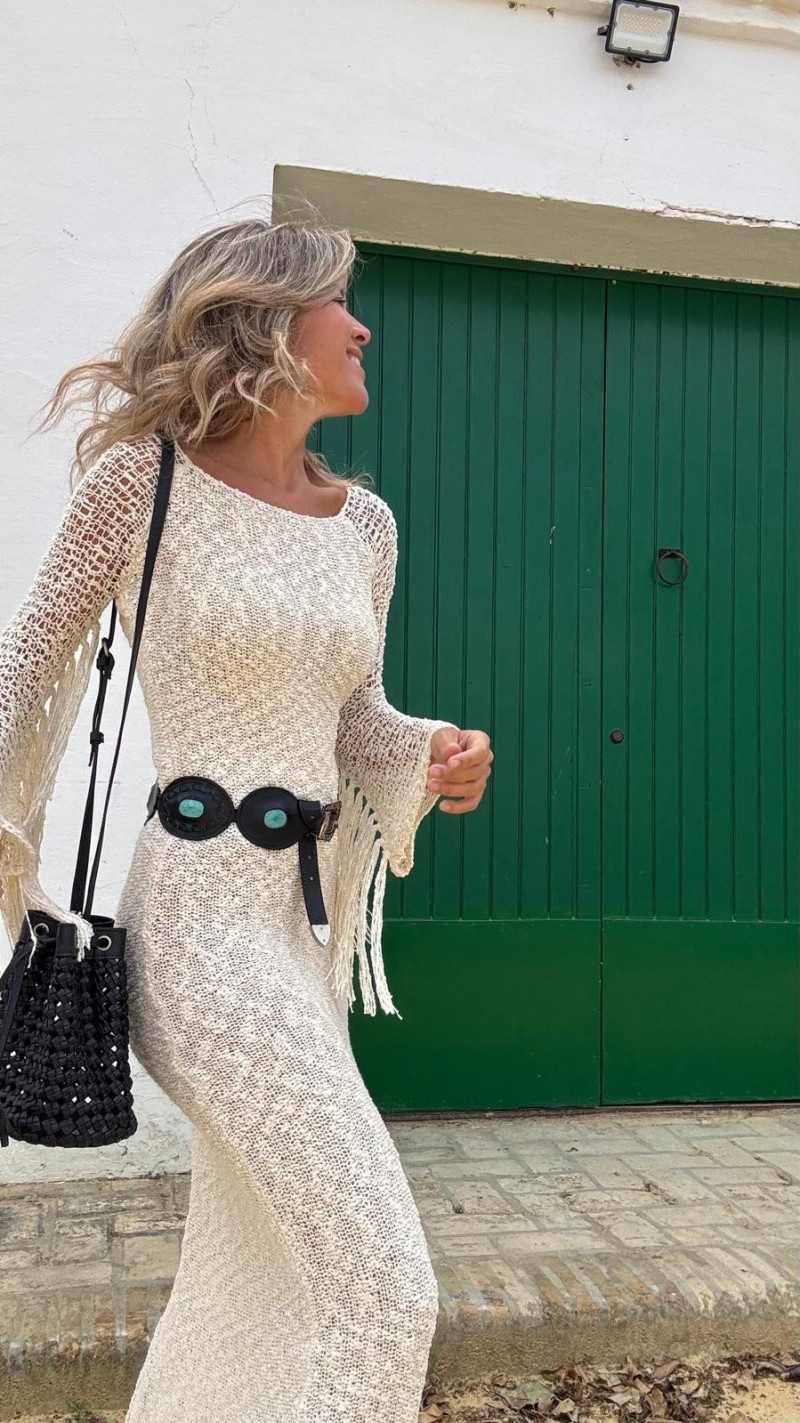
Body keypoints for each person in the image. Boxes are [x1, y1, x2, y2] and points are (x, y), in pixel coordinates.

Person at [0, 210, 493, 1422]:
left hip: (293, 931)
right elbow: (25, 666)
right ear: (264, 321)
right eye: (340, 302)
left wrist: (426, 750)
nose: (363, 327)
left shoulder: (364, 527)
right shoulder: (143, 484)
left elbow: (352, 717)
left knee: (257, 1272)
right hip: (194, 921)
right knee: (381, 1287)